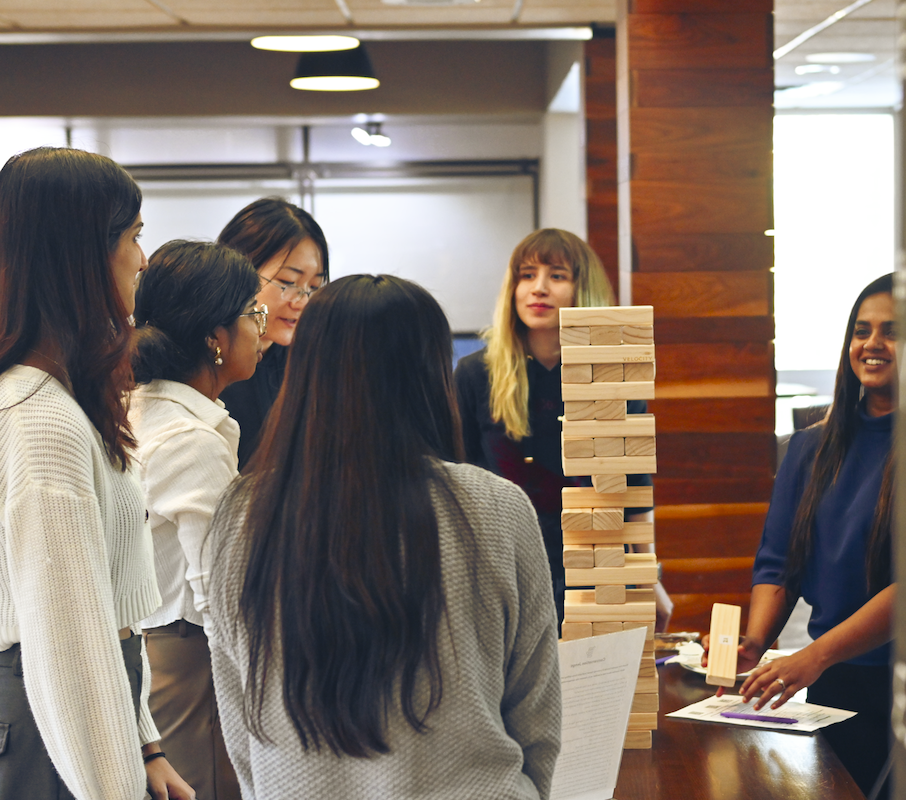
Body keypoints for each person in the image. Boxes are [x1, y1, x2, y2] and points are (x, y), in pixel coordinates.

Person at [207, 275, 561, 800]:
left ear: (306, 373)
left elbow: (240, 721)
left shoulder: (245, 513)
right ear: (433, 375)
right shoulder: (497, 507)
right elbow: (538, 718)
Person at [0, 147, 192, 800]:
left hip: (76, 713)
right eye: (134, 236)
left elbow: (103, 621)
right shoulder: (38, 417)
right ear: (81, 254)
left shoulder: (61, 399)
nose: (143, 258)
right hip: (48, 723)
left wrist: (146, 746)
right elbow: (67, 643)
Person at [714, 274, 897, 798]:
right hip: (833, 684)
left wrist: (814, 656)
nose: (872, 344)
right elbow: (778, 565)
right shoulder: (809, 449)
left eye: (893, 331)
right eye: (861, 330)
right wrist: (753, 642)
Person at [454, 228, 673, 629]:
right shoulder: (474, 374)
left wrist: (648, 577)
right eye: (526, 275)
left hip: (598, 567)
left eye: (556, 275)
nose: (538, 288)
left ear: (580, 288)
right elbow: (458, 478)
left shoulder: (612, 372)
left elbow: (634, 489)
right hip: (505, 566)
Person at [130, 240, 266, 800]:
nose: (262, 329)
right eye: (253, 315)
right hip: (189, 661)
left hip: (155, 653)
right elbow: (220, 594)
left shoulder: (141, 407)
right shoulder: (191, 440)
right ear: (216, 338)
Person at [216, 197, 328, 468]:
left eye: (314, 287)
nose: (301, 300)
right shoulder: (205, 361)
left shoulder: (310, 361)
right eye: (288, 282)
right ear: (238, 269)